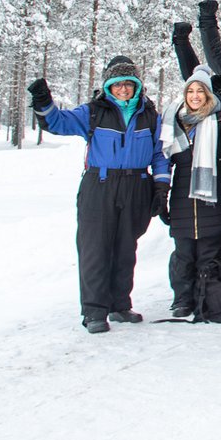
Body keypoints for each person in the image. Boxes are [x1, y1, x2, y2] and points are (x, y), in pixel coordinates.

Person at [29, 56, 171, 333]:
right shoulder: (93, 112)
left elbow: (159, 156)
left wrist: (161, 187)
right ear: (108, 86)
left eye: (128, 84)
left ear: (137, 85)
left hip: (137, 184)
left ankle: (119, 305)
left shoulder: (150, 115)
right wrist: (42, 100)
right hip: (100, 184)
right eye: (117, 85)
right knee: (95, 249)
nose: (123, 90)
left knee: (126, 248)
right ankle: (94, 311)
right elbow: (57, 122)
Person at [158, 67, 221, 317]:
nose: (195, 96)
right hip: (183, 195)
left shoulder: (219, 119)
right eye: (191, 91)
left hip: (216, 195)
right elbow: (163, 156)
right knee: (183, 253)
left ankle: (208, 295)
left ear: (208, 94)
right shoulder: (174, 121)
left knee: (211, 251)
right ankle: (183, 298)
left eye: (200, 91)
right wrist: (162, 192)